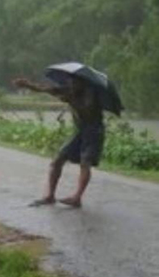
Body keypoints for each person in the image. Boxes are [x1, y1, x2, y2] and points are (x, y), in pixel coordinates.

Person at [12, 75, 104, 208]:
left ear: (82, 83)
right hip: (79, 131)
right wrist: (28, 85)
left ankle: (77, 197)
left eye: (75, 82)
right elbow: (46, 89)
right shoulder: (70, 90)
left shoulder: (91, 93)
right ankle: (50, 196)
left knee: (85, 162)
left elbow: (87, 110)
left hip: (93, 131)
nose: (71, 84)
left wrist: (71, 99)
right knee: (57, 160)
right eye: (70, 81)